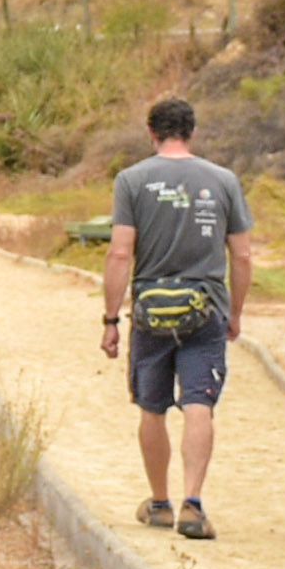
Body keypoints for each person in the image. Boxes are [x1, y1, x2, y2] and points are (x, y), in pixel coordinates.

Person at [100, 96, 250, 541]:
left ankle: (160, 501)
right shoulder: (223, 180)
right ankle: (193, 501)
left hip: (151, 310)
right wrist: (235, 312)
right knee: (198, 403)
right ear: (192, 132)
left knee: (152, 406)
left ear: (151, 133)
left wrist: (111, 320)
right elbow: (241, 255)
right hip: (205, 307)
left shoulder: (131, 181)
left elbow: (120, 252)